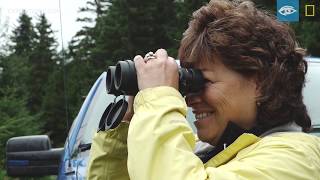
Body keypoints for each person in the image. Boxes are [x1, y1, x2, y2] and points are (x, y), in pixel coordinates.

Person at [87, 0, 320, 179]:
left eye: (203, 80)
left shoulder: (296, 159)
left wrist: (157, 99)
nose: (190, 99)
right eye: (189, 80)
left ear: (259, 82)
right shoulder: (209, 152)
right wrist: (127, 132)